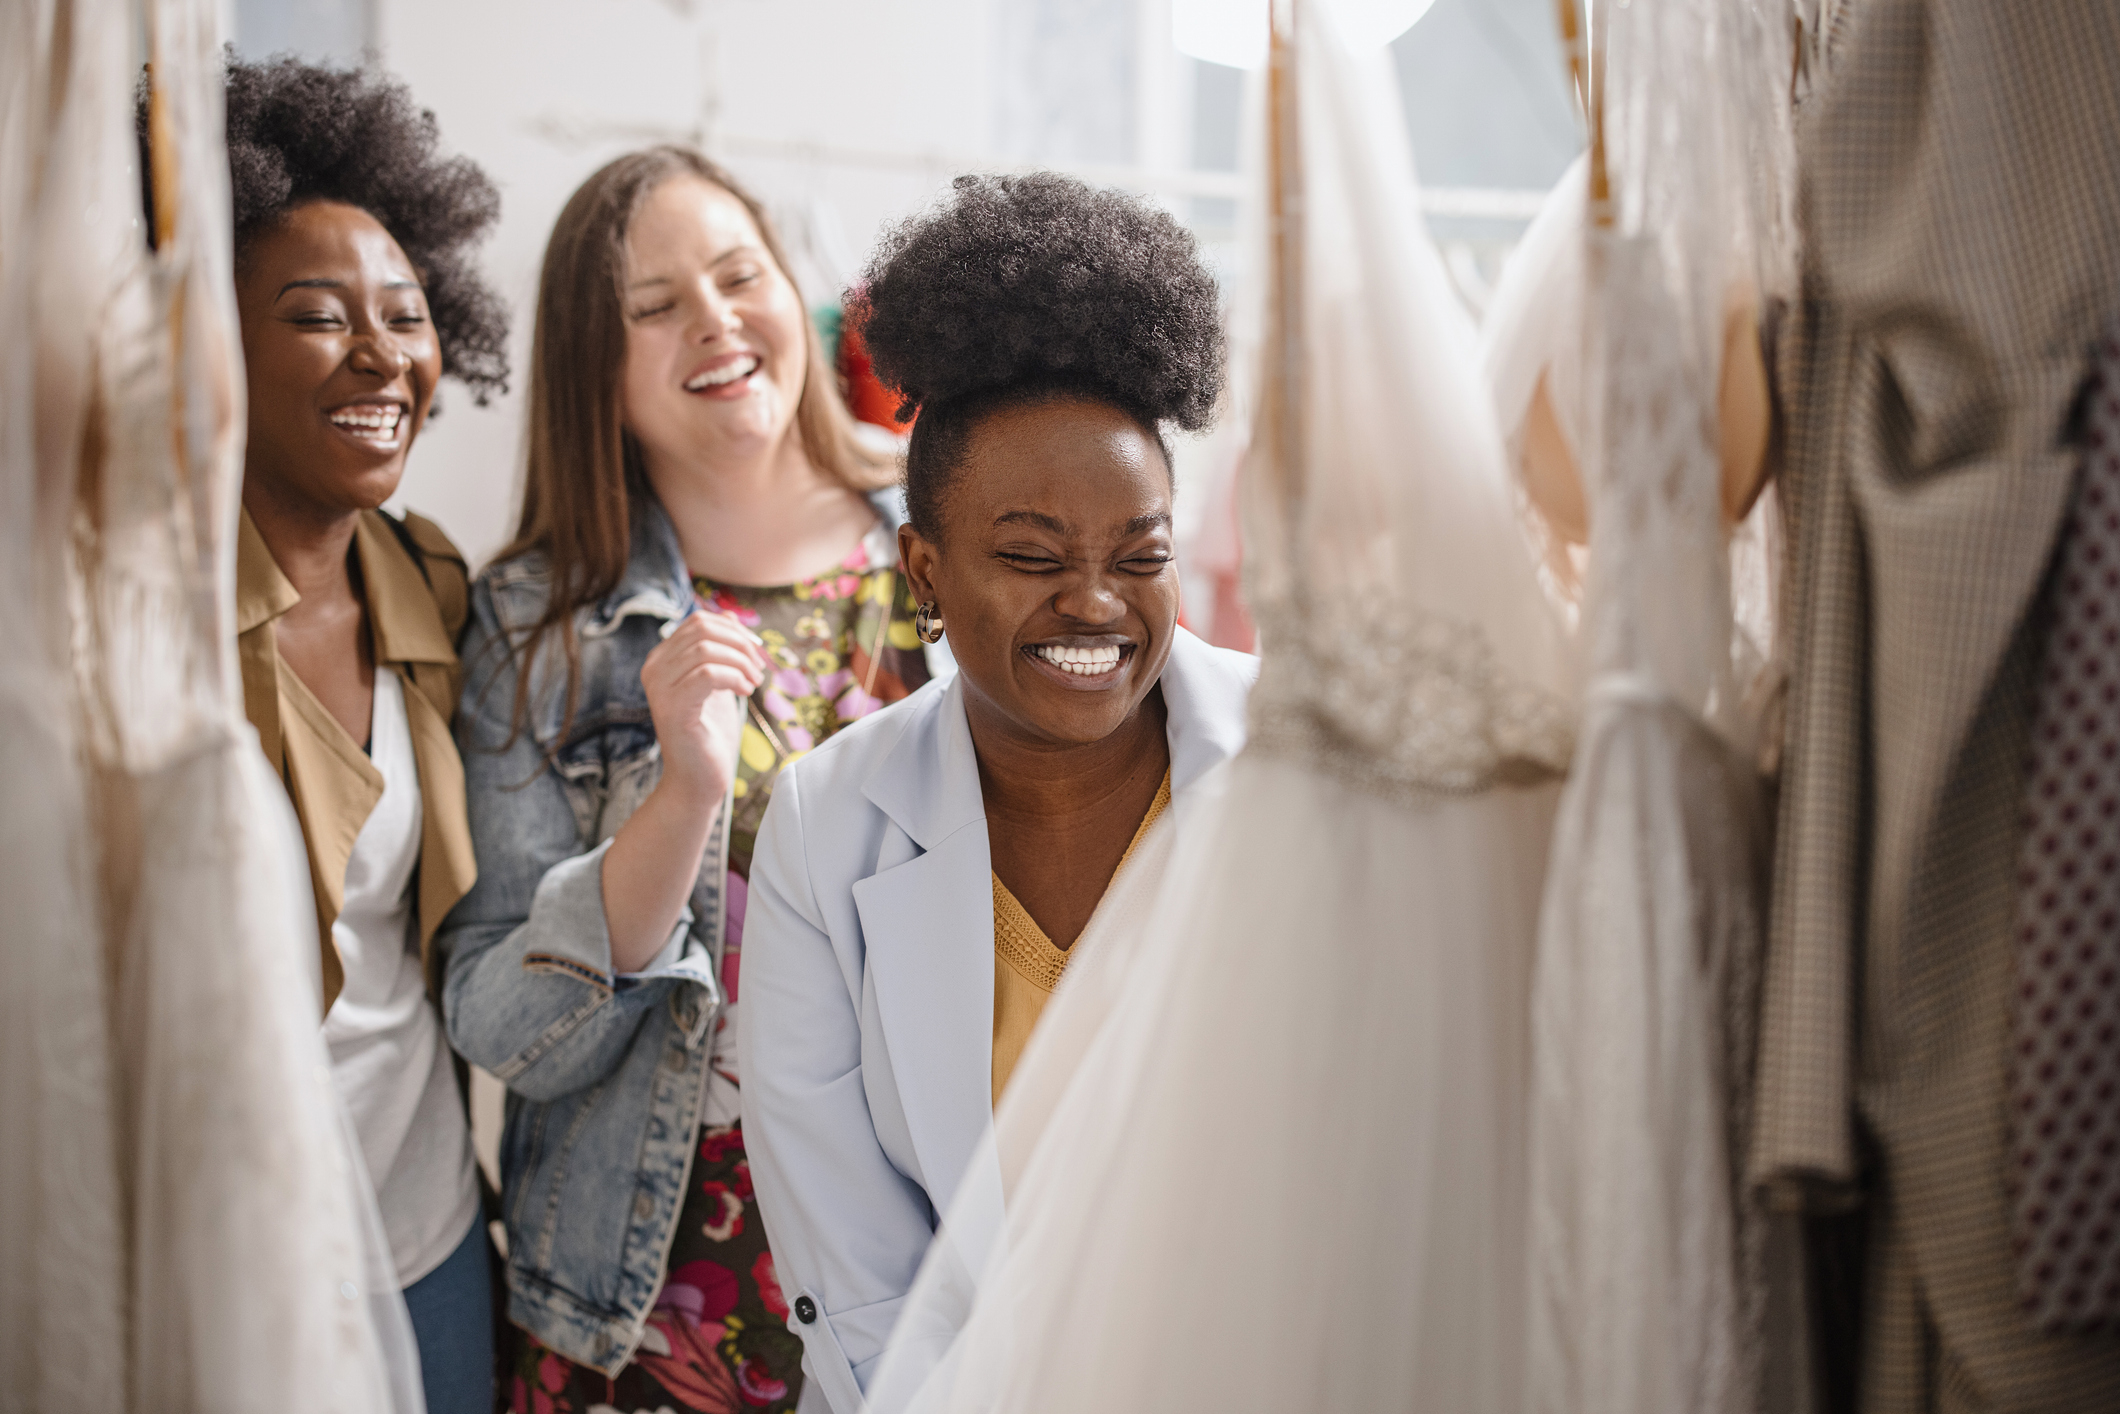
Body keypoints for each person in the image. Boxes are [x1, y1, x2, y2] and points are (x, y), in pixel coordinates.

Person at [737, 171, 1255, 1414]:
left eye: (1140, 556)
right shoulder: (825, 823)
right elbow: (854, 1263)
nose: (1093, 603)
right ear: (923, 566)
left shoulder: (1297, 770)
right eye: (1029, 557)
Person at [438, 146, 927, 1414]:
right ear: (593, 374)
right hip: (642, 1313)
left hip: (922, 1298)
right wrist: (682, 798)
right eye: (652, 309)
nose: (712, 321)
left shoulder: (950, 546)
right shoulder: (539, 623)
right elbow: (499, 1024)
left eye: (736, 275)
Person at [164, 57, 511, 1414]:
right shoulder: (141, 618)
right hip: (223, 1237)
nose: (382, 356)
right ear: (209, 341)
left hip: (423, 1226)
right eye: (316, 317)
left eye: (408, 316)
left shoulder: (431, 577)